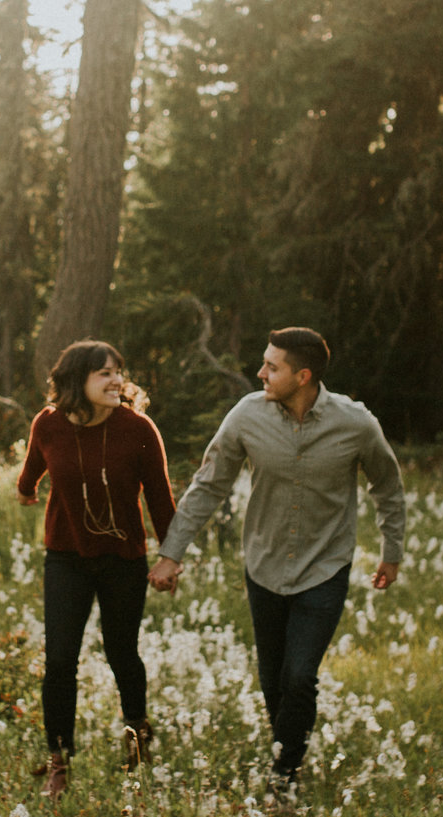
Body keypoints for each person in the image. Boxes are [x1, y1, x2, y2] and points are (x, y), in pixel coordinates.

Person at [149, 327, 403, 793]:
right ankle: (285, 746)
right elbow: (209, 485)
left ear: (302, 375)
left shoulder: (356, 423)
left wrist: (392, 552)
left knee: (300, 674)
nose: (260, 372)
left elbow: (387, 484)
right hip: (263, 563)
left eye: (273, 366)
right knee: (272, 679)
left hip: (325, 566)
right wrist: (171, 553)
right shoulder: (247, 416)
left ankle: (285, 772)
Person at [15, 339, 176, 799]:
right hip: (66, 557)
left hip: (124, 558)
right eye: (103, 373)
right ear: (76, 381)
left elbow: (161, 500)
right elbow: (31, 472)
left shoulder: (138, 428)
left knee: (122, 651)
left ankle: (137, 737)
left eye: (118, 372)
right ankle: (58, 762)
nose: (116, 381)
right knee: (60, 660)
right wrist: (26, 490)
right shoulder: (47, 425)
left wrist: (171, 556)